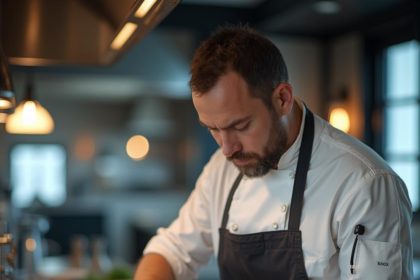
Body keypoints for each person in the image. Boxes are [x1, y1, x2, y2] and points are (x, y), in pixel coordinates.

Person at [134, 26, 413, 280]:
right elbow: (172, 251)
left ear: (282, 99)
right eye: (212, 129)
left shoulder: (365, 184)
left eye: (240, 125)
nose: (227, 149)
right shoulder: (220, 169)